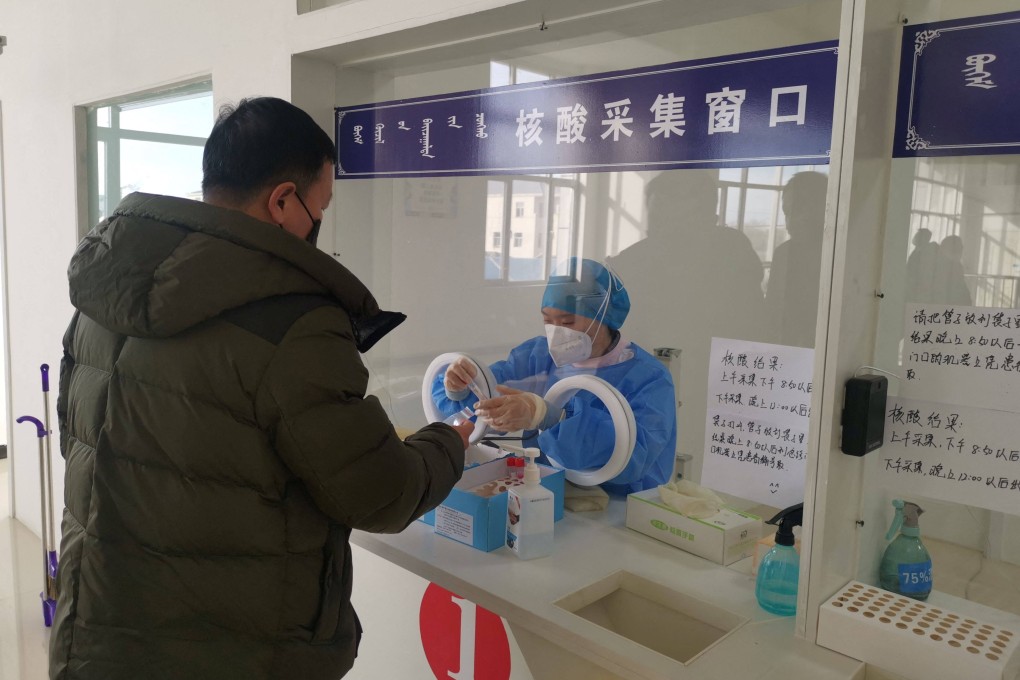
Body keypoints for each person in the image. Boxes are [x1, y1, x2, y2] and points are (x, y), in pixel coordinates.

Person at [51, 97, 472, 680]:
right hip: (237, 651)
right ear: (282, 201)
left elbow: (80, 441)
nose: (320, 224)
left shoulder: (104, 298)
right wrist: (449, 441)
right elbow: (380, 493)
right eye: (321, 206)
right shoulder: (294, 322)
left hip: (95, 635)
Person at [432, 258, 677, 495]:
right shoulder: (537, 356)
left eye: (568, 322)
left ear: (602, 315)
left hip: (619, 503)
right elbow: (485, 396)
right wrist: (460, 387)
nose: (556, 333)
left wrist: (550, 416)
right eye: (548, 321)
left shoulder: (648, 378)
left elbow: (634, 455)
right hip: (544, 490)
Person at [764, 171, 828, 347]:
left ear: (823, 207)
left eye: (799, 209)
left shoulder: (842, 257)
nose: (790, 220)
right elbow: (772, 313)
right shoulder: (782, 254)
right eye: (786, 212)